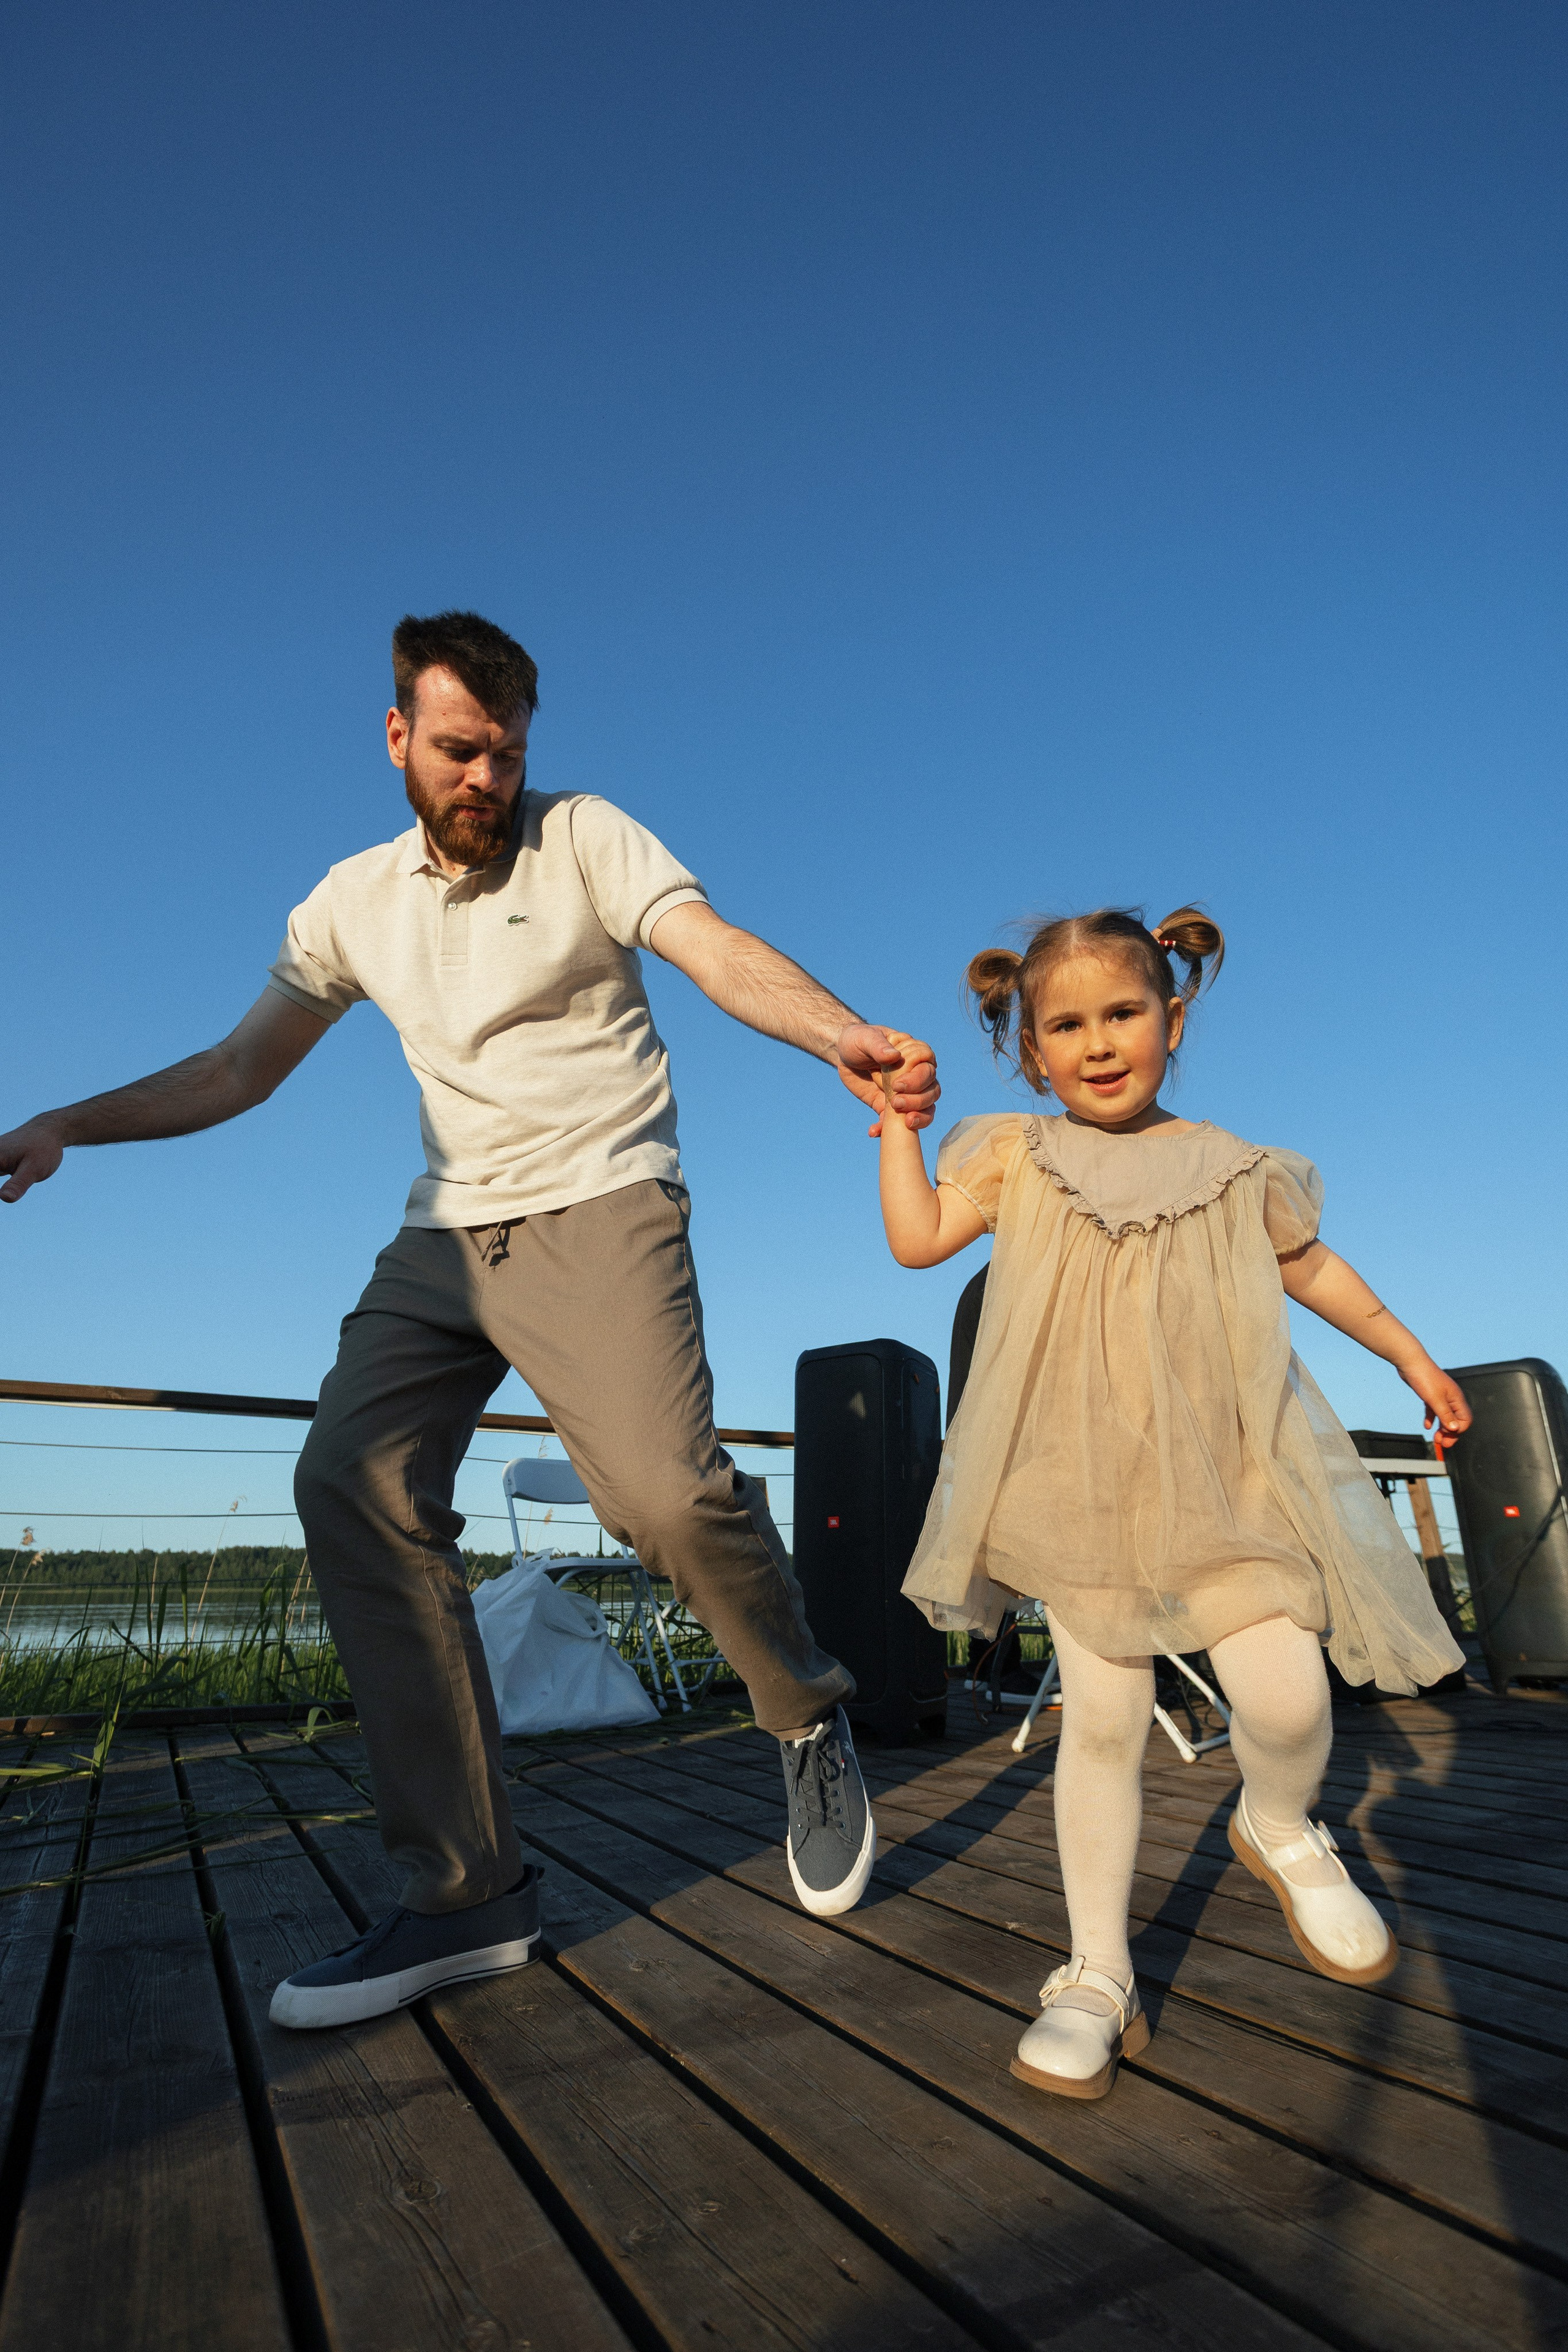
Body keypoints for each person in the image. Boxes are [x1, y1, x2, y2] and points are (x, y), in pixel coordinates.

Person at [0, 609, 940, 2026]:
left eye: (505, 752)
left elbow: (713, 949)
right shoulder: (348, 903)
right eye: (457, 749)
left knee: (666, 1500)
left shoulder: (586, 838)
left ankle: (804, 1709)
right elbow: (239, 1068)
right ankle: (468, 1892)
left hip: (603, 1203)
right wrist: (71, 1122)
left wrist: (840, 1034)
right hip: (446, 1232)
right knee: (347, 1482)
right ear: (396, 739)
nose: (484, 778)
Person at [873, 906, 1468, 2101]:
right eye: (1065, 1026)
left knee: (1289, 1697)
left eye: (1122, 1014)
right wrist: (895, 1127)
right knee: (1101, 1723)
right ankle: (1095, 1971)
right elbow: (917, 1238)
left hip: (1227, 1478)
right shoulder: (1015, 1157)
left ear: (1172, 1018)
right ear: (1031, 1049)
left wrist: (1409, 1356)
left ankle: (1281, 1823)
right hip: (1080, 1491)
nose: (1097, 1043)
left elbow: (1312, 1274)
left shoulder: (1229, 1169)